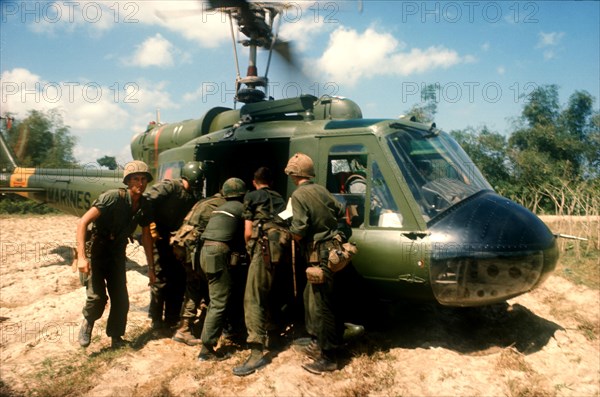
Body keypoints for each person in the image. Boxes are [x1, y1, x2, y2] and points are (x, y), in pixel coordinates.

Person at [77, 160, 155, 349]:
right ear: (127, 182)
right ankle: (88, 322)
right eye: (135, 179)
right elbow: (82, 223)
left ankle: (116, 337)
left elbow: (146, 238)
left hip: (117, 253)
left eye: (143, 179)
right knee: (97, 297)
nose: (140, 183)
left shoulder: (144, 205)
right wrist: (81, 257)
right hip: (97, 250)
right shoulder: (113, 197)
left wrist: (151, 268)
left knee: (121, 298)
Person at [284, 153, 346, 374]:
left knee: (322, 306)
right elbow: (340, 211)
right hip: (334, 252)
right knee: (328, 300)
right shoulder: (321, 189)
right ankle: (322, 342)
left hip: (319, 254)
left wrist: (289, 230)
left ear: (294, 174)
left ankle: (328, 358)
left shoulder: (299, 194)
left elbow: (299, 230)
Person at [233, 167, 287, 376]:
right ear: (271, 182)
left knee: (253, 297)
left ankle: (256, 352)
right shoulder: (279, 197)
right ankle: (273, 335)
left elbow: (247, 232)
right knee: (272, 290)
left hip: (263, 247)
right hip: (281, 246)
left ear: (254, 182)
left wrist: (250, 249)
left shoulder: (252, 196)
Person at [144, 161, 204, 329]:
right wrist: (151, 224)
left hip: (176, 241)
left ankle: (172, 318)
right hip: (158, 237)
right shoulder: (169, 187)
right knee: (159, 278)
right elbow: (146, 201)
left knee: (178, 279)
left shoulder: (193, 197)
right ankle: (155, 319)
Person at [197, 177, 247, 361]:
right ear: (243, 194)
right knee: (218, 302)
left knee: (218, 297)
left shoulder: (219, 209)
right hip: (218, 253)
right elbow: (247, 234)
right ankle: (206, 349)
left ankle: (229, 332)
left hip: (205, 252)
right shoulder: (242, 208)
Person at [170, 190, 227, 346]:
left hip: (182, 244)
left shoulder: (205, 201)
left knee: (194, 287)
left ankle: (188, 326)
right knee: (197, 287)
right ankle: (184, 330)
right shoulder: (222, 205)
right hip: (192, 248)